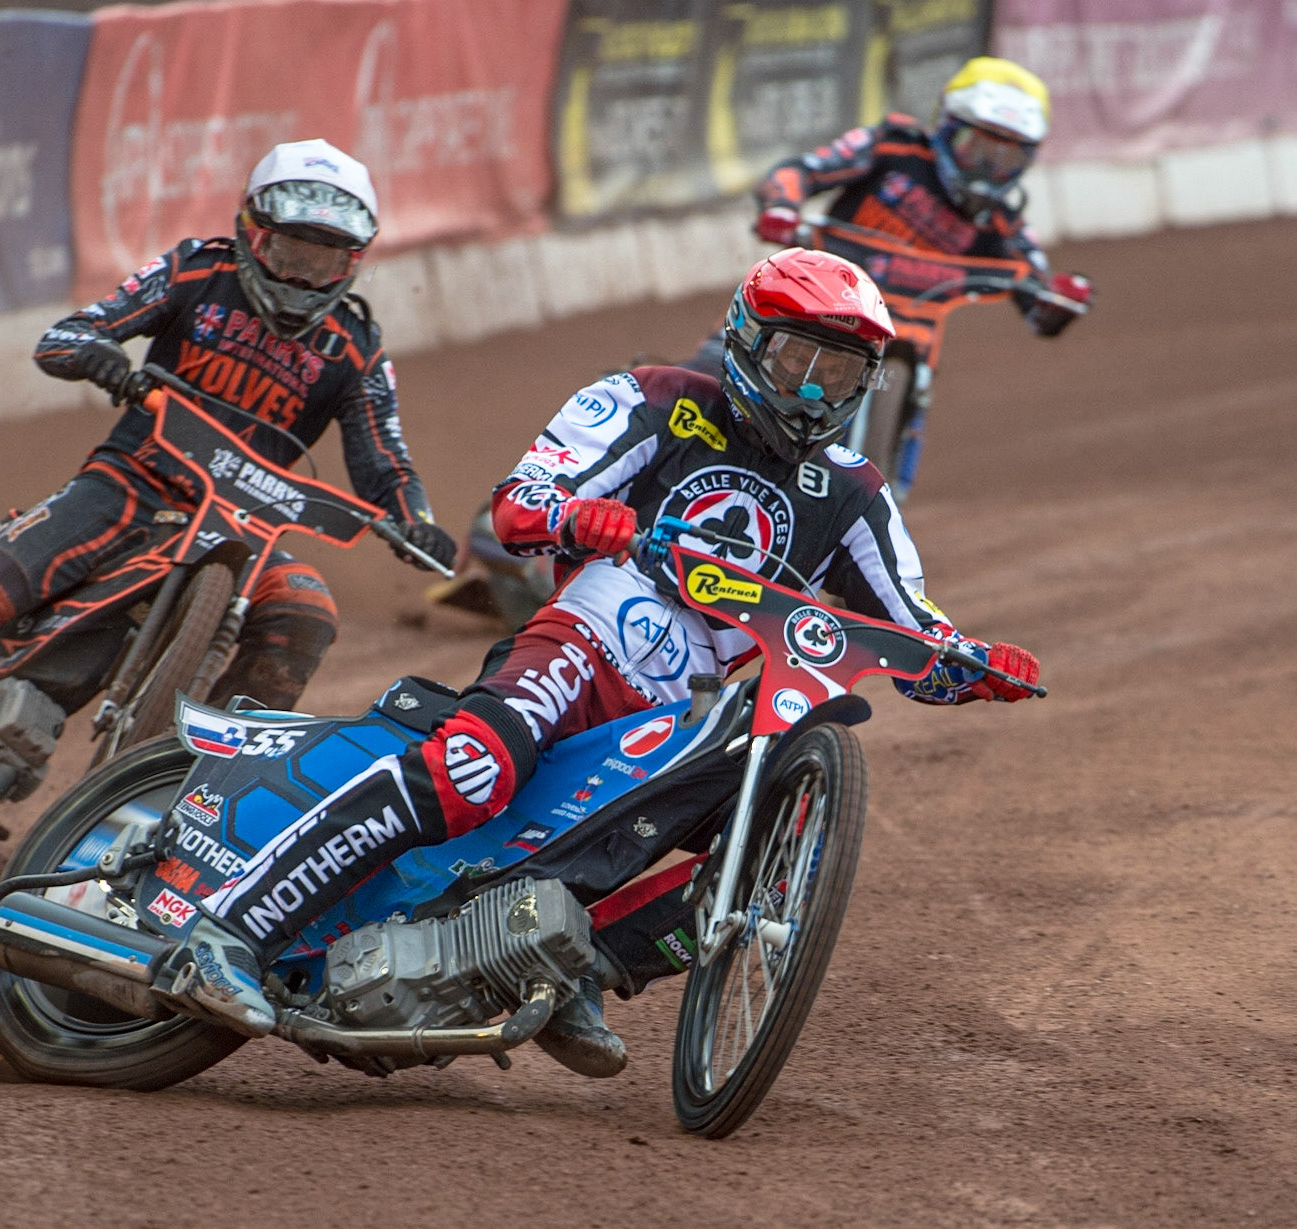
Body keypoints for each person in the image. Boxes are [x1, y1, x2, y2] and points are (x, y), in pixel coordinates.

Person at [160, 248, 1041, 1078]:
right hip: (584, 640)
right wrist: (579, 519)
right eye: (794, 361)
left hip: (678, 712)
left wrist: (969, 662)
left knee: (766, 832)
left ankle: (578, 966)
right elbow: (519, 505)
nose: (813, 391)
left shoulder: (853, 491)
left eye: (840, 373)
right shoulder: (653, 397)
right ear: (744, 339)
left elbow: (913, 629)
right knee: (472, 768)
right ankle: (225, 931)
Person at [0, 139, 457, 802]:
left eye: (324, 260)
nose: (302, 275)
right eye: (291, 251)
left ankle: (207, 799)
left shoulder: (354, 348)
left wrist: (415, 522)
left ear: (353, 264)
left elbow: (383, 461)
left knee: (306, 609)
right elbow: (64, 336)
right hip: (129, 484)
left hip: (245, 526)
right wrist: (103, 359)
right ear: (251, 232)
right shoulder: (192, 271)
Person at [751, 56, 1093, 490]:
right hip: (815, 300)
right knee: (734, 352)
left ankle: (877, 496)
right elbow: (802, 169)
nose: (987, 169)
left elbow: (1039, 300)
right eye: (978, 148)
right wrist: (781, 205)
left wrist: (1059, 299)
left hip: (906, 333)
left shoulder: (1004, 224)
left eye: (1005, 157)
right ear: (947, 128)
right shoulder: (892, 147)